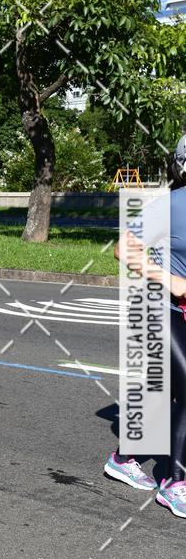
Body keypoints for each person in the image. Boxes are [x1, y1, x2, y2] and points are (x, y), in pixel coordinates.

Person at [108, 134, 186, 516]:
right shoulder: (172, 205)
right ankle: (176, 482)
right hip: (158, 306)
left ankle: (123, 458)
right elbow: (124, 248)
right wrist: (169, 280)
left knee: (168, 389)